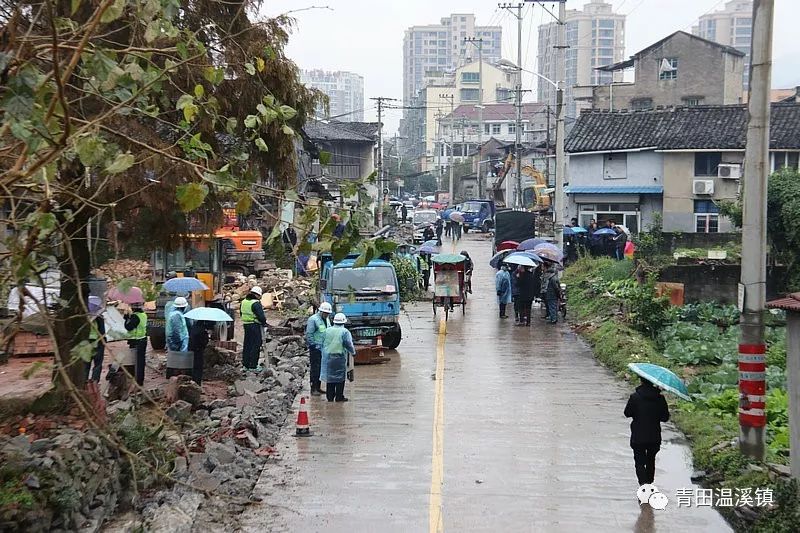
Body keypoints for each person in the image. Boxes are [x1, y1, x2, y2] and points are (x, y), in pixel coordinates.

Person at [624, 377, 670, 486]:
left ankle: (643, 484)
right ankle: (649, 482)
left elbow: (627, 413)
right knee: (651, 460)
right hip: (654, 436)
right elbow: (665, 418)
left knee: (639, 462)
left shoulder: (634, 397)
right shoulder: (660, 398)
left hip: (638, 435)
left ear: (641, 381)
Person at [320, 313, 356, 402]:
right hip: (339, 357)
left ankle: (330, 397)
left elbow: (322, 342)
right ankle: (339, 397)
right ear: (344, 322)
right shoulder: (345, 332)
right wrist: (353, 352)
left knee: (330, 378)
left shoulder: (327, 330)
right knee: (340, 377)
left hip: (327, 357)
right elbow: (348, 344)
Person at [305, 302, 332, 396]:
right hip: (315, 348)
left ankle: (318, 387)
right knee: (315, 368)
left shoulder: (327, 319)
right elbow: (309, 334)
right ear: (320, 311)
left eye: (328, 313)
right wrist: (313, 345)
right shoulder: (313, 319)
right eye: (325, 313)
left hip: (324, 348)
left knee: (321, 368)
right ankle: (313, 388)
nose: (326, 315)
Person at [241, 286, 267, 371]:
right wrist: (264, 324)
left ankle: (245, 365)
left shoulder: (244, 302)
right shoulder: (255, 303)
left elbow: (241, 314)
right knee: (256, 345)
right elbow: (261, 317)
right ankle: (253, 366)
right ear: (258, 295)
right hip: (255, 325)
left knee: (247, 344)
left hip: (246, 325)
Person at [123, 300, 148, 386]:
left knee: (135, 362)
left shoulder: (135, 316)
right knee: (141, 361)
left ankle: (137, 381)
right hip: (143, 339)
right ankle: (140, 380)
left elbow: (128, 327)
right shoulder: (143, 315)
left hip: (136, 341)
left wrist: (126, 318)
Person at [84, 296, 106, 383]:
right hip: (97, 343)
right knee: (98, 364)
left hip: (86, 343)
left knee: (86, 364)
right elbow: (102, 331)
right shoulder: (99, 317)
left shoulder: (84, 317)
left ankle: (84, 381)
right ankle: (95, 382)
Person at [188, 320, 212, 385]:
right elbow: (204, 342)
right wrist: (207, 336)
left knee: (193, 366)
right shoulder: (202, 331)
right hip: (199, 351)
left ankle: (193, 380)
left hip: (191, 350)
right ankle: (197, 383)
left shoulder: (193, 328)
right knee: (198, 368)